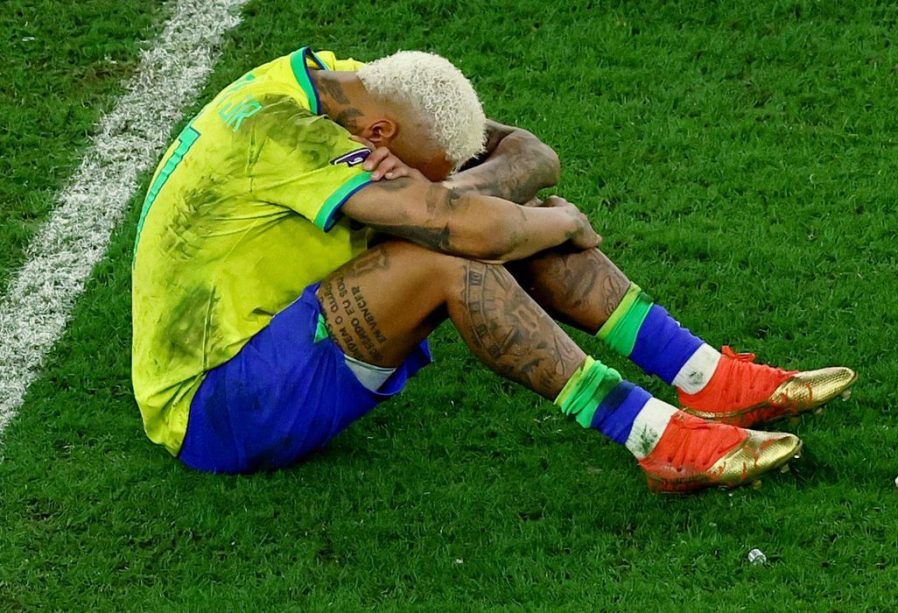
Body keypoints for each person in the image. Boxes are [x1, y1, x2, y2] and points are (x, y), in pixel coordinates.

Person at [132, 47, 857, 493]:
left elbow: (529, 154)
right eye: (420, 168)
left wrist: (463, 192)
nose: (433, 180)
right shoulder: (281, 135)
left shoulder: (346, 85)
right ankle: (657, 440)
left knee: (481, 214)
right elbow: (472, 227)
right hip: (219, 407)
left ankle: (706, 378)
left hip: (284, 341)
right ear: (378, 134)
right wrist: (558, 221)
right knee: (445, 252)